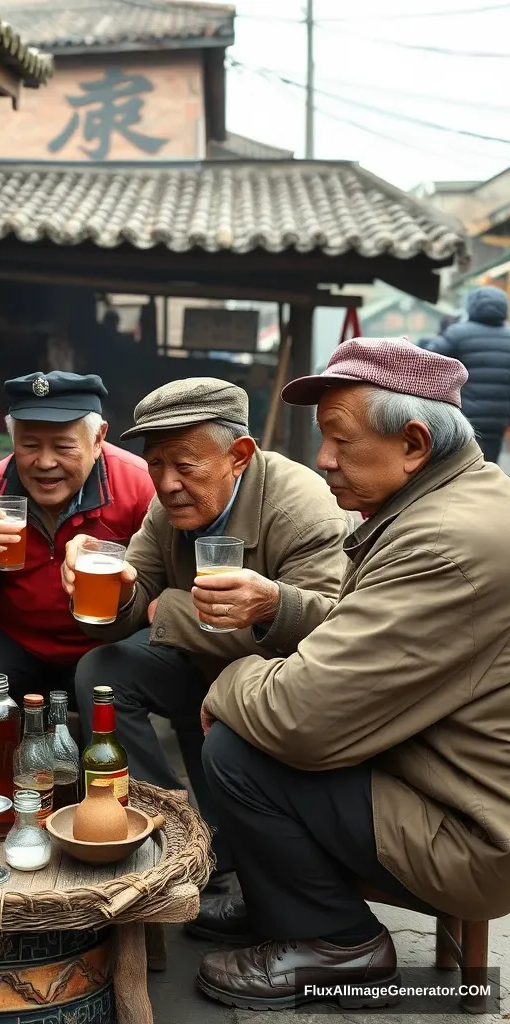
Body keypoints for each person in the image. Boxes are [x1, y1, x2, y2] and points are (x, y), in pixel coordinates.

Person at [193, 338, 510, 1009]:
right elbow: (370, 624)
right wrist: (280, 604)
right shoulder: (463, 497)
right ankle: (285, 900)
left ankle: (339, 944)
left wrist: (225, 685)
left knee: (237, 746)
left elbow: (303, 718)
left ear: (414, 445)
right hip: (447, 776)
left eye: (339, 440)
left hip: (473, 834)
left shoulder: (444, 541)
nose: (323, 460)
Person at [63, 378, 349, 900]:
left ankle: (232, 854)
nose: (167, 484)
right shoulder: (167, 506)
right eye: (154, 465)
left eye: (185, 466)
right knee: (102, 670)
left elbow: (334, 632)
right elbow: (135, 593)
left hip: (272, 684)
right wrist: (100, 587)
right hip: (199, 668)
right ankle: (166, 832)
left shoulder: (302, 510)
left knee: (224, 740)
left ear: (239, 455)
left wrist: (253, 604)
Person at [0, 371, 155, 759]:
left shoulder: (139, 487)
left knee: (109, 697)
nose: (44, 462)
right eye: (29, 445)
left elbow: (155, 574)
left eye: (62, 446)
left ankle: (120, 806)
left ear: (98, 438)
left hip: (105, 645)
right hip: (20, 638)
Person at [419, 286, 510, 462]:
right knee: (490, 465)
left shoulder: (458, 333)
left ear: (472, 306)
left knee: (461, 466)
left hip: (465, 416)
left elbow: (430, 358)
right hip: (498, 417)